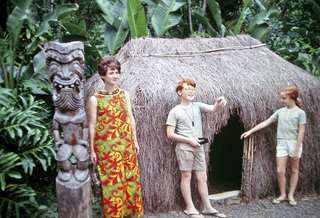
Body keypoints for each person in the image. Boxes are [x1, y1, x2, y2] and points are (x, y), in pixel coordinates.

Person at [88, 57, 144, 217]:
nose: (115, 76)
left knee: (130, 178)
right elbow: (92, 125)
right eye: (111, 73)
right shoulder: (95, 99)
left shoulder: (124, 94)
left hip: (126, 145)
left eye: (117, 72)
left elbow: (131, 117)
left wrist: (135, 140)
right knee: (112, 182)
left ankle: (129, 213)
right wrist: (92, 150)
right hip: (106, 149)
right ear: (102, 75)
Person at [166, 78, 227, 218]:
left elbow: (213, 109)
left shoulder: (197, 106)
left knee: (202, 177)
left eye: (193, 89)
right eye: (187, 89)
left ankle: (207, 207)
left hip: (198, 147)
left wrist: (218, 103)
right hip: (184, 148)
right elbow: (170, 134)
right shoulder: (175, 111)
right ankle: (190, 208)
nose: (191, 91)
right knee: (186, 176)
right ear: (179, 92)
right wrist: (189, 140)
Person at [240, 86, 306, 206]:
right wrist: (251, 131)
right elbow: (266, 122)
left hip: (294, 143)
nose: (281, 100)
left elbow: (301, 132)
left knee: (294, 169)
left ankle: (291, 194)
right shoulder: (280, 112)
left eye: (284, 98)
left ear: (292, 98)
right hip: (282, 143)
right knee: (280, 171)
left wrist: (296, 149)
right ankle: (282, 194)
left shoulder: (300, 113)